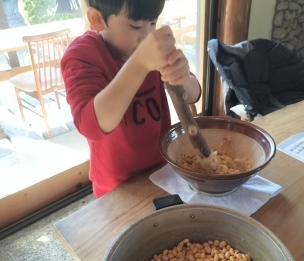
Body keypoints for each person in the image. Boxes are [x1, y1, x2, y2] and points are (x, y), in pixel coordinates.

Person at [61, 0, 201, 198]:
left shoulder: (150, 50)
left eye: (152, 23)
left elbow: (194, 94)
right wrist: (140, 63)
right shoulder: (82, 55)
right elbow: (90, 125)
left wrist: (183, 76)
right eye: (135, 26)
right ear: (97, 19)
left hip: (162, 172)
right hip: (116, 187)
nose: (146, 36)